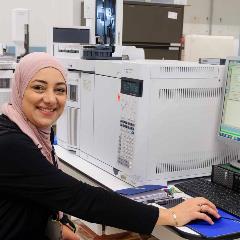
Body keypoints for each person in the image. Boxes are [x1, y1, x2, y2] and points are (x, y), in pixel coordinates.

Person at [0, 52, 220, 240]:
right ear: (19, 90)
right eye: (39, 88)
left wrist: (63, 227)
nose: (50, 99)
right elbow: (80, 198)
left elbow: (40, 196)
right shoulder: (11, 145)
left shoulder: (30, 132)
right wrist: (171, 216)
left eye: (60, 90)